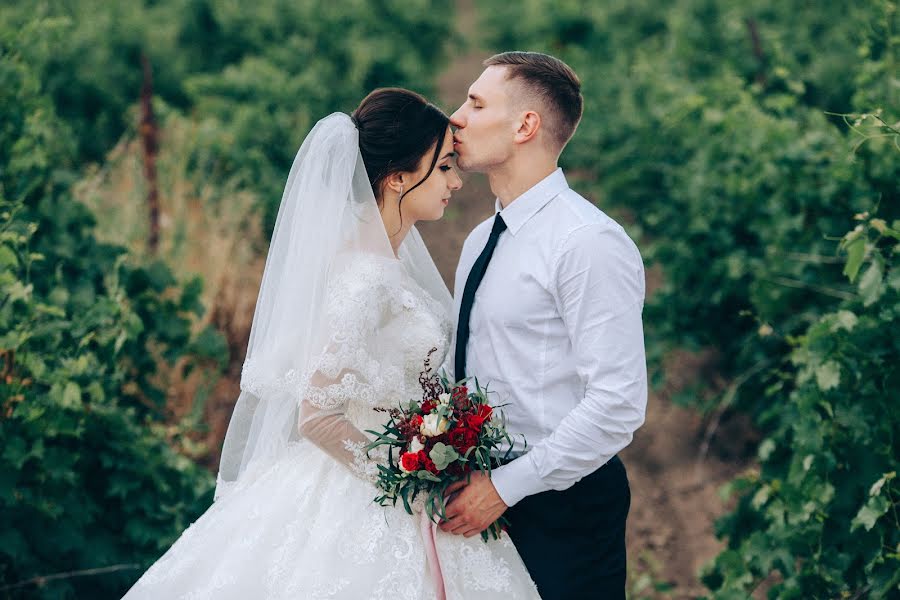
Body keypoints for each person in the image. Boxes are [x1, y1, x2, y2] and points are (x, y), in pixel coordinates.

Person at [122, 88, 541, 600]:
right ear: (399, 177)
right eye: (445, 166)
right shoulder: (366, 278)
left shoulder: (389, 262)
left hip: (399, 469)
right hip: (366, 489)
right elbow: (316, 416)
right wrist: (407, 479)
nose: (456, 181)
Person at [440, 52, 648, 600]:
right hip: (479, 495)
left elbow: (618, 403)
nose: (455, 117)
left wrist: (506, 488)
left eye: (476, 103)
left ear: (525, 125)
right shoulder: (480, 240)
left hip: (563, 507)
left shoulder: (587, 243)